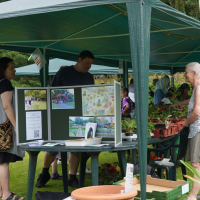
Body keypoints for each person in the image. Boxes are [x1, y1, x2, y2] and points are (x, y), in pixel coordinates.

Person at [35, 50, 94, 189]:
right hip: (60, 116)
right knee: (52, 147)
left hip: (80, 118)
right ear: (79, 60)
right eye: (86, 63)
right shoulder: (64, 72)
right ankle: (44, 173)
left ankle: (72, 177)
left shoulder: (90, 77)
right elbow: (52, 93)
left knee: (76, 148)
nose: (88, 66)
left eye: (90, 64)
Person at [170, 62, 200, 200]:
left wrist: (186, 123)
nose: (184, 74)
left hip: (197, 129)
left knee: (195, 164)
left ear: (194, 73)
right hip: (196, 129)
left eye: (186, 72)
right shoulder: (196, 88)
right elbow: (192, 101)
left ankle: (192, 196)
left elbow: (197, 111)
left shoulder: (199, 87)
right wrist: (177, 104)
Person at [0, 57, 25, 200]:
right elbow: (7, 105)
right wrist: (16, 125)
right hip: (4, 129)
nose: (14, 70)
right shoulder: (5, 83)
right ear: (3, 70)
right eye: (11, 68)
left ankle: (1, 192)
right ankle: (7, 195)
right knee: (3, 162)